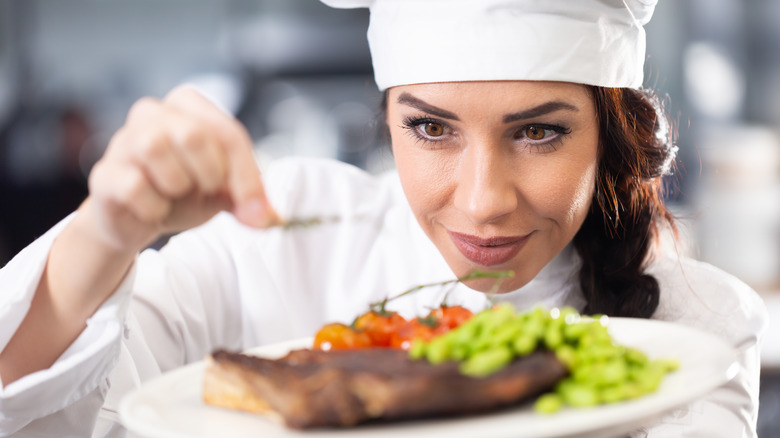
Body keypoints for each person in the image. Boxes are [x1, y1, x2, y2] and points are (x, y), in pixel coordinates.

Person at [0, 0, 768, 436]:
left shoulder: (696, 325)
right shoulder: (282, 238)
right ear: (387, 119)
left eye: (538, 131)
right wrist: (107, 233)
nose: (482, 201)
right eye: (432, 128)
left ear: (611, 133)